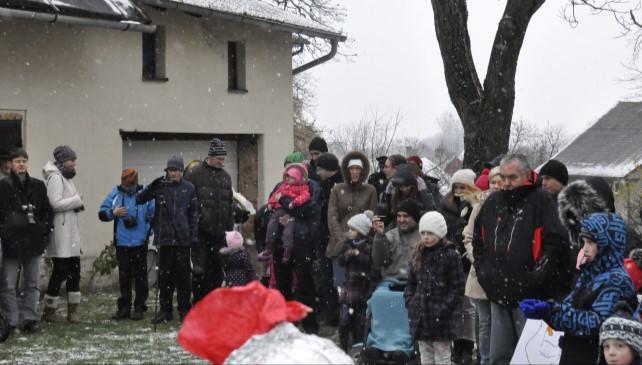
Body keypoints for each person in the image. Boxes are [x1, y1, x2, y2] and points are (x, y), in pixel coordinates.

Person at [472, 154, 565, 364]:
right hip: (498, 292)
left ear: (526, 175)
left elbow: (554, 244)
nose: (506, 183)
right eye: (503, 177)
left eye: (512, 177)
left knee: (531, 357)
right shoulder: (493, 202)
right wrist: (484, 273)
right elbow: (477, 239)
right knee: (499, 357)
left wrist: (537, 278)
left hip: (530, 297)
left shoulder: (541, 200)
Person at [519, 212, 637, 365]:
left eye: (590, 243)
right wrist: (547, 309)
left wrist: (552, 310)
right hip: (575, 352)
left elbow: (596, 323)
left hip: (597, 357)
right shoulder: (590, 273)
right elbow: (570, 307)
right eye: (583, 242)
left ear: (607, 245)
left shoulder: (617, 281)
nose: (584, 248)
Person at [137, 155, 199, 324]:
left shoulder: (189, 188)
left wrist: (193, 236)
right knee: (165, 278)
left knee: (184, 278)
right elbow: (140, 199)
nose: (173, 174)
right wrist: (152, 187)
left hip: (183, 241)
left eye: (177, 170)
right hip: (164, 240)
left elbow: (193, 214)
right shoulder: (160, 187)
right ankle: (165, 311)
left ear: (181, 171)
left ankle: (184, 310)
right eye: (171, 170)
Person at [0, 148, 53, 334]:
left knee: (31, 283)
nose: (21, 164)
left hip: (33, 241)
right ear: (11, 164)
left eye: (24, 160)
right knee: (8, 284)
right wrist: (5, 231)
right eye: (17, 161)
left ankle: (29, 318)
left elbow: (47, 211)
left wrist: (44, 230)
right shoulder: (3, 187)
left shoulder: (38, 186)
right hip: (11, 243)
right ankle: (11, 320)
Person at [268, 158, 322, 334]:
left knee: (305, 286)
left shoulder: (312, 188)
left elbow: (306, 210)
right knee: (283, 287)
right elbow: (270, 207)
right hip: (281, 244)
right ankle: (287, 324)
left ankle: (310, 326)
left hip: (303, 242)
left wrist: (285, 203)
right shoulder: (280, 186)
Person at [405, 211, 465, 365]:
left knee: (442, 357)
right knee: (425, 357)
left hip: (441, 319)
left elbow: (457, 288)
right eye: (423, 233)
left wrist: (443, 309)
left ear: (440, 233)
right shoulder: (418, 253)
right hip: (421, 316)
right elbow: (411, 282)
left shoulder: (451, 255)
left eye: (430, 233)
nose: (425, 237)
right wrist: (411, 302)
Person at [98, 168, 155, 321]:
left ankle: (139, 307)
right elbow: (102, 213)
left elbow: (153, 215)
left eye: (130, 184)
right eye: (125, 183)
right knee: (124, 276)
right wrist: (113, 213)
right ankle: (124, 307)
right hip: (122, 242)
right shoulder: (115, 193)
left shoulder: (145, 195)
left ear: (135, 182)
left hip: (140, 242)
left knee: (140, 277)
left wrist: (151, 231)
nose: (127, 187)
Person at [183, 138, 233, 304]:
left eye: (223, 159)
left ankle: (214, 304)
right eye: (219, 158)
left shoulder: (226, 177)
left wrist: (230, 228)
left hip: (220, 234)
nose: (222, 162)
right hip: (200, 234)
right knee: (199, 272)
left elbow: (229, 203)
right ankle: (198, 304)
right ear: (210, 156)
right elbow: (187, 201)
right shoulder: (194, 173)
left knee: (217, 272)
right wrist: (196, 222)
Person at [461, 166, 501, 365]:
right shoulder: (479, 206)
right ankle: (484, 359)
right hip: (481, 272)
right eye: (493, 181)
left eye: (500, 181)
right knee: (485, 322)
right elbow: (468, 237)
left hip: (504, 275)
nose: (496, 185)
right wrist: (476, 259)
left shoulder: (514, 207)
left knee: (500, 323)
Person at [42, 145, 85, 323]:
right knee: (60, 271)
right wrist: (76, 200)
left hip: (71, 234)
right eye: (71, 160)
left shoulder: (67, 177)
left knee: (74, 271)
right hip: (61, 233)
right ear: (62, 161)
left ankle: (72, 311)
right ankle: (49, 310)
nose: (74, 163)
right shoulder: (55, 178)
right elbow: (54, 203)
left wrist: (77, 203)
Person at [440, 168, 478, 365]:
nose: (460, 190)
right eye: (457, 186)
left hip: (469, 261)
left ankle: (468, 344)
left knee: (469, 308)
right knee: (454, 306)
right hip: (450, 261)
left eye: (463, 186)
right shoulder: (445, 207)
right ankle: (457, 343)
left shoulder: (477, 206)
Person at [327, 151, 378, 293]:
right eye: (352, 169)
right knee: (340, 289)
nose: (355, 172)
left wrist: (362, 240)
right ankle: (341, 315)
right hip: (339, 245)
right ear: (346, 170)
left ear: (363, 171)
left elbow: (373, 217)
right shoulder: (337, 189)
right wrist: (342, 237)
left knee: (360, 289)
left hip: (361, 247)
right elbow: (332, 217)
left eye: (358, 169)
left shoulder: (370, 190)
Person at [336, 210, 373, 351]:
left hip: (361, 290)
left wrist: (358, 255)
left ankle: (358, 348)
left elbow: (369, 264)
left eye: (353, 229)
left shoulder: (368, 246)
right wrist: (348, 254)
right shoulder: (347, 244)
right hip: (347, 290)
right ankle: (343, 347)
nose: (349, 232)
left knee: (360, 323)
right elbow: (340, 261)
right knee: (344, 320)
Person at [314, 152, 344, 326]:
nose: (317, 172)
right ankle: (332, 314)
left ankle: (335, 316)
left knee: (333, 279)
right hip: (325, 237)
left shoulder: (336, 187)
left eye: (320, 169)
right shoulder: (326, 185)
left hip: (332, 238)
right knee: (328, 278)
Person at [260, 163, 310, 264]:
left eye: (291, 178)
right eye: (287, 177)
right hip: (280, 210)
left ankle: (287, 251)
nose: (288, 179)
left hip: (292, 213)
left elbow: (305, 197)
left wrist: (294, 202)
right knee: (271, 225)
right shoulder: (284, 186)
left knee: (288, 233)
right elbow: (276, 195)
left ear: (297, 178)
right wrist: (271, 203)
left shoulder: (303, 187)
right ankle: (269, 246)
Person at [372, 199, 422, 282]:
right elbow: (379, 262)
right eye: (399, 216)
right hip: (390, 282)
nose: (401, 220)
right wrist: (380, 237)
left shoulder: (424, 236)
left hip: (417, 283)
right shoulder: (390, 236)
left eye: (406, 216)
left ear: (415, 218)